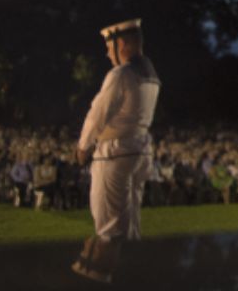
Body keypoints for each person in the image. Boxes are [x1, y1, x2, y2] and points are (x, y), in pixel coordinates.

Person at [71, 18, 161, 284]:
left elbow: (97, 114)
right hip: (138, 151)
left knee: (108, 227)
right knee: (129, 223)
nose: (107, 52)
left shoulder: (120, 74)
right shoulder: (151, 74)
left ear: (122, 43)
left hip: (115, 153)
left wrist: (82, 146)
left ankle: (98, 276)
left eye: (109, 45)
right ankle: (131, 276)